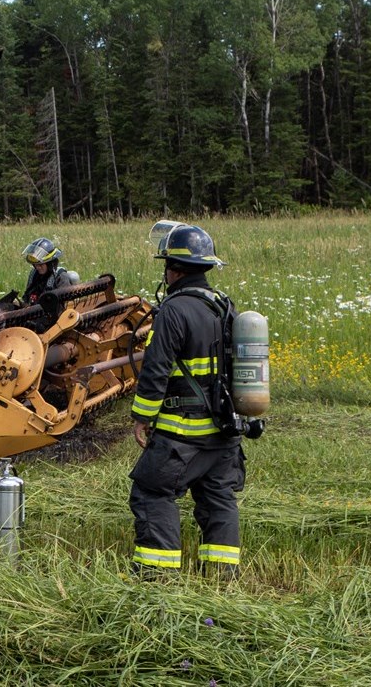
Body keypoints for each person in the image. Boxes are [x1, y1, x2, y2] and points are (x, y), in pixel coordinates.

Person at [128, 223, 244, 578]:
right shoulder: (224, 306)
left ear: (174, 269)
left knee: (151, 491)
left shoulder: (174, 311)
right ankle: (222, 574)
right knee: (217, 498)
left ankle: (156, 574)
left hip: (183, 433)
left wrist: (141, 417)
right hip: (225, 432)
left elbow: (156, 371)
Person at [21, 237, 80, 304]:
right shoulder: (34, 274)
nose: (38, 267)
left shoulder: (61, 276)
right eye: (35, 265)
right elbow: (26, 297)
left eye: (41, 265)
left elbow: (65, 304)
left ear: (50, 263)